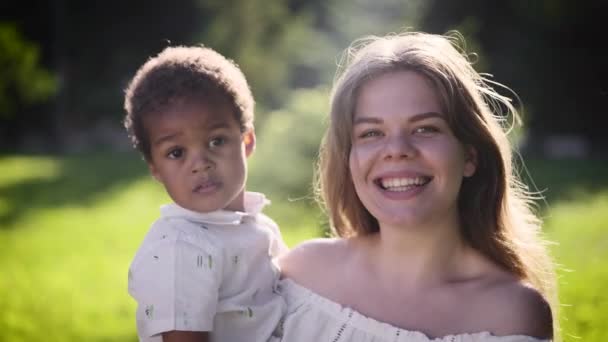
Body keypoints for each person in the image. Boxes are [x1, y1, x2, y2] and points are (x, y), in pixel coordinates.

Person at [276, 31, 558, 341]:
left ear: (470, 156)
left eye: (425, 128)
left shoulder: (510, 312)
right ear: (348, 160)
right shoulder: (303, 275)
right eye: (371, 133)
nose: (396, 149)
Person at [123, 46, 287, 342]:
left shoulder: (259, 226)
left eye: (216, 141)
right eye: (176, 152)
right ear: (155, 169)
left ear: (246, 141)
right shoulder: (182, 247)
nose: (200, 164)